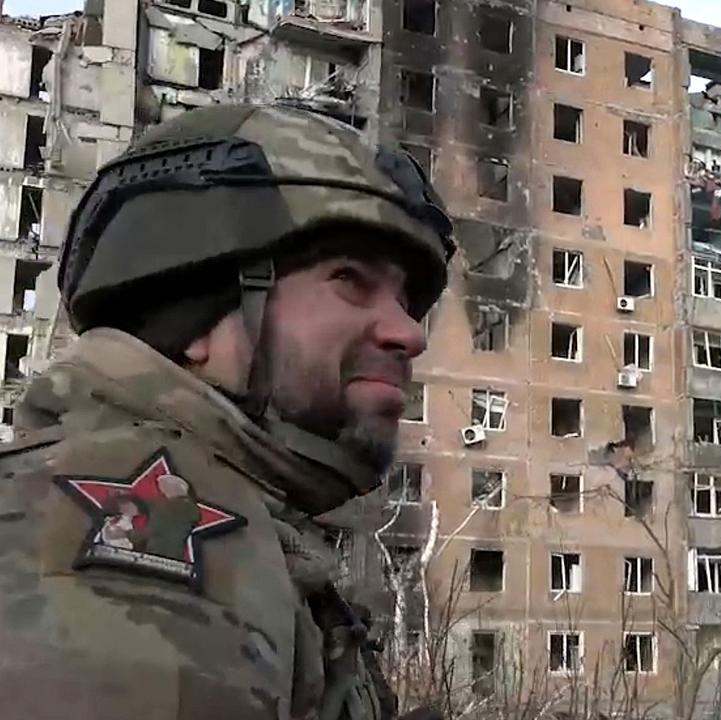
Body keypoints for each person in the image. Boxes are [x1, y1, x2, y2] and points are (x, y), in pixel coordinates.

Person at [0, 103, 454, 719]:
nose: (410, 333)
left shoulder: (239, 515)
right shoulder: (129, 535)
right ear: (197, 316)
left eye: (407, 301)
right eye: (350, 279)